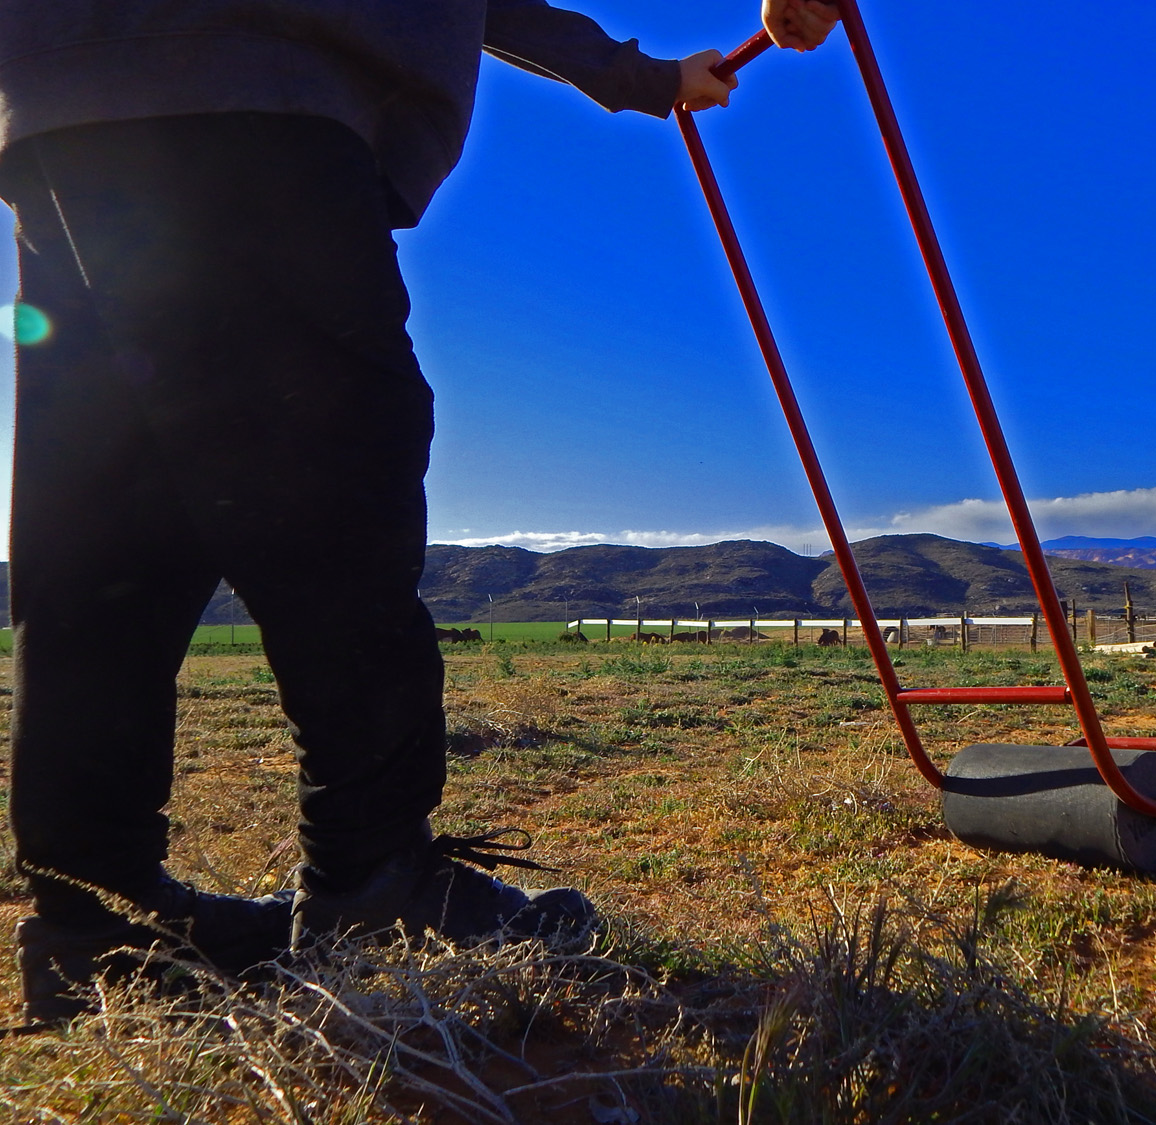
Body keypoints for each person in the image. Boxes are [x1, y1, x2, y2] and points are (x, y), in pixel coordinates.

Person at [0, 0, 840, 1026]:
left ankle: (95, 914)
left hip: (61, 104)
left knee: (117, 508)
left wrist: (644, 77)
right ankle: (374, 884)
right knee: (338, 481)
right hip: (262, 85)